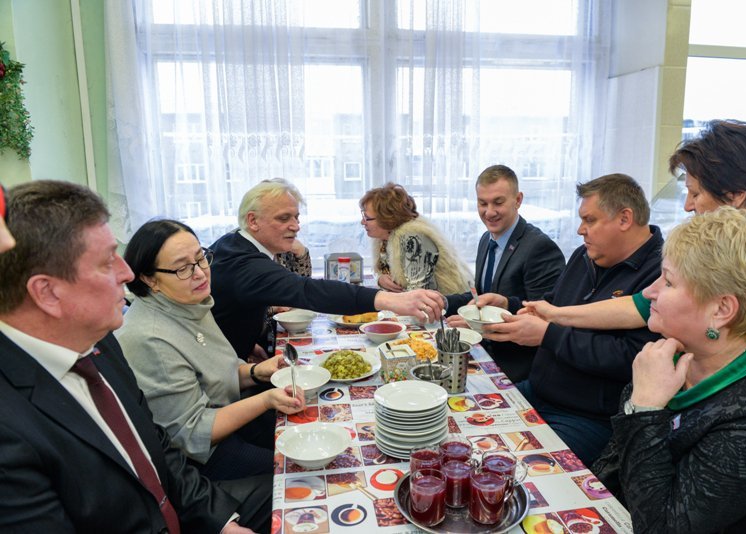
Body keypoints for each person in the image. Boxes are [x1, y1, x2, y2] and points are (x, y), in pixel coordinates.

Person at [0, 180, 270, 532]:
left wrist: (222, 522)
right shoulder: (10, 426)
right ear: (47, 292)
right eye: (105, 262)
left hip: (185, 509)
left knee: (306, 493)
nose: (126, 274)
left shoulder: (101, 345)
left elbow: (158, 450)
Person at [593, 207, 746, 532]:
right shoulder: (680, 352)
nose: (649, 291)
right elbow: (618, 466)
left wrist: (644, 410)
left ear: (721, 309)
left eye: (669, 281)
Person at [526, 120, 746, 352]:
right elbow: (640, 305)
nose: (688, 206)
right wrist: (554, 314)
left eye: (695, 194)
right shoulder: (731, 239)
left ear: (736, 196)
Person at [481, 173, 663, 465]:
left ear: (625, 219)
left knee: (518, 473)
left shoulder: (660, 276)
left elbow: (630, 358)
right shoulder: (585, 255)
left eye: (590, 220)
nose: (581, 230)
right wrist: (510, 304)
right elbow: (553, 304)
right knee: (471, 437)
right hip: (537, 391)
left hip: (587, 417)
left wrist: (548, 335)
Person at [117, 219, 305, 482]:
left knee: (306, 429)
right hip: (203, 459)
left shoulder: (187, 301)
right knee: (296, 472)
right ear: (150, 279)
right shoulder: (150, 337)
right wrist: (266, 399)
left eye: (201, 258)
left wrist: (254, 372)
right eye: (183, 268)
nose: (200, 273)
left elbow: (214, 375)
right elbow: (191, 433)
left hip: (232, 419)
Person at [210, 180, 445, 359]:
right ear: (252, 221)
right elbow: (308, 291)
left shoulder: (234, 244)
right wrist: (389, 300)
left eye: (296, 217)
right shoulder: (245, 263)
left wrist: (245, 342)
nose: (296, 226)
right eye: (284, 218)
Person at [444, 165, 565, 382]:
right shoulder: (486, 239)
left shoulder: (539, 248)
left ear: (518, 200)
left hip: (519, 369)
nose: (489, 212)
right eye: (482, 203)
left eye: (498, 202)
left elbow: (544, 317)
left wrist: (476, 326)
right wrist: (441, 302)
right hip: (484, 354)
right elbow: (481, 297)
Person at [360, 182, 471, 295]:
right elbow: (386, 274)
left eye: (367, 218)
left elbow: (420, 296)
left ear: (386, 218)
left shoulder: (413, 239)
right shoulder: (384, 237)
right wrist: (380, 280)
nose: (362, 222)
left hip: (450, 305)